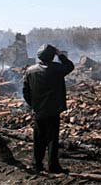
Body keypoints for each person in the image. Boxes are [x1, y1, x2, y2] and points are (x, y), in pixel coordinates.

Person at [23, 44, 74, 173]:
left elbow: (25, 92)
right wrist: (60, 54)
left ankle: (37, 164)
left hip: (39, 111)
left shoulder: (30, 71)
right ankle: (53, 166)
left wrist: (33, 105)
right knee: (52, 139)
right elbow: (70, 66)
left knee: (38, 139)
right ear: (52, 56)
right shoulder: (56, 69)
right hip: (53, 110)